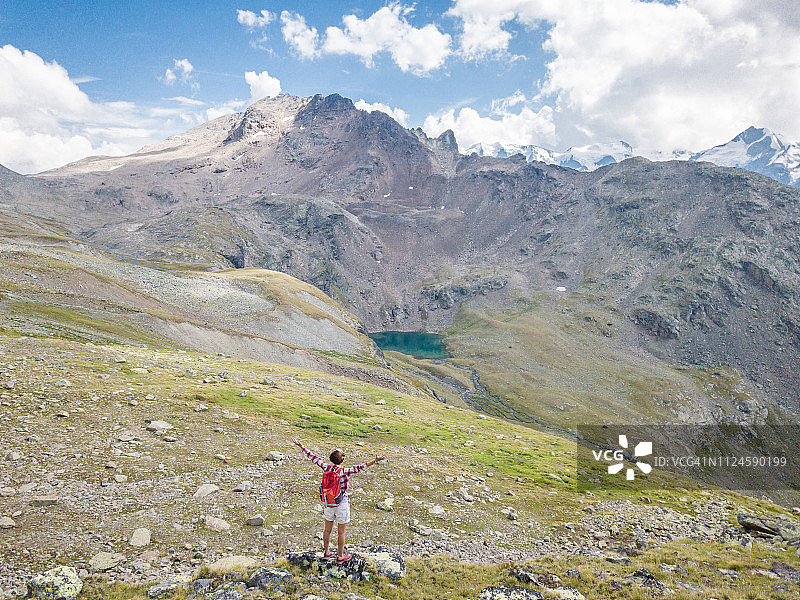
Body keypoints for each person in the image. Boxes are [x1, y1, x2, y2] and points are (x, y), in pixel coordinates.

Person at [291, 437, 386, 563]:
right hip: (342, 502)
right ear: (342, 459)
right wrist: (375, 460)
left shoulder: (326, 467)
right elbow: (361, 467)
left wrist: (301, 446)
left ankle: (326, 552)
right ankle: (340, 556)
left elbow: (313, 457)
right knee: (341, 532)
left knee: (327, 530)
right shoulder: (345, 471)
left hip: (329, 502)